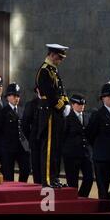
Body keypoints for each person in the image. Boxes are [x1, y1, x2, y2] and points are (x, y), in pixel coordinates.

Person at [35, 44, 70, 188]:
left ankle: (54, 177)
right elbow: (49, 94)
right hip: (49, 112)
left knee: (55, 147)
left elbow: (61, 90)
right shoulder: (44, 70)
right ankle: (47, 180)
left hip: (56, 113)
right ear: (52, 55)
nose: (60, 60)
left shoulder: (53, 70)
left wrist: (66, 103)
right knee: (48, 148)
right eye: (59, 57)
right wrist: (62, 106)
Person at [87, 83, 110, 209]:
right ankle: (105, 207)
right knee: (103, 189)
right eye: (109, 96)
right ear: (103, 98)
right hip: (102, 158)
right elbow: (90, 135)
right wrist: (99, 147)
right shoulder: (97, 115)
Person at [62, 94, 94, 197]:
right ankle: (74, 202)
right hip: (71, 155)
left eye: (83, 104)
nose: (82, 106)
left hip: (85, 154)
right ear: (73, 105)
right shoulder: (67, 119)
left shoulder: (87, 117)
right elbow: (62, 137)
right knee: (72, 182)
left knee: (89, 178)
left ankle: (82, 197)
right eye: (79, 104)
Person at [0, 83, 31, 182]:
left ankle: (22, 188)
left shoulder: (22, 110)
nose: (16, 98)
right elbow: (0, 131)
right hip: (8, 148)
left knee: (26, 169)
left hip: (21, 147)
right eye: (14, 95)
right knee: (8, 174)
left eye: (18, 96)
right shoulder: (3, 112)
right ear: (8, 97)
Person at [22, 87, 42, 184]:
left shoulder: (52, 103)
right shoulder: (32, 104)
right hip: (36, 142)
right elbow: (25, 124)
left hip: (48, 142)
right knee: (37, 169)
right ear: (37, 90)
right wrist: (32, 138)